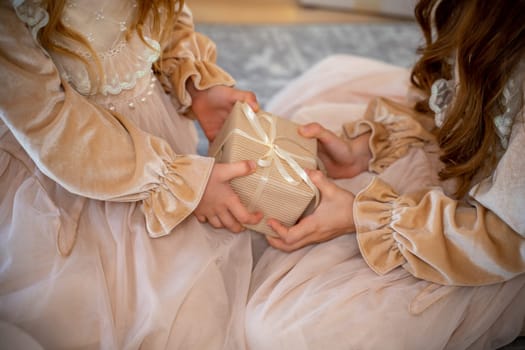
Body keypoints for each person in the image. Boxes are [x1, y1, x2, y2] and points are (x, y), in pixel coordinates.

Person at [245, 0, 525, 349]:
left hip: (498, 246)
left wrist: (360, 215)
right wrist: (368, 148)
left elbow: (507, 240)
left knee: (291, 331)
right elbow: (447, 105)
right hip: (472, 164)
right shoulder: (478, 14)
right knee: (318, 99)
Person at [0, 0, 262, 348]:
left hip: (153, 132)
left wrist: (195, 85)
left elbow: (168, 22)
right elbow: (49, 119)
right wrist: (171, 179)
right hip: (67, 165)